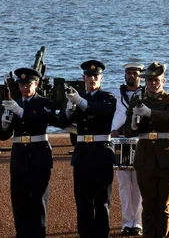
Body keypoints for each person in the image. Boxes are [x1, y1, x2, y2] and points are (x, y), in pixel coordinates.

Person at [58, 60, 116, 238]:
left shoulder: (108, 97)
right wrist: (69, 109)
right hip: (82, 153)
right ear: (83, 77)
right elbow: (61, 123)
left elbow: (102, 111)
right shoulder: (77, 97)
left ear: (101, 78)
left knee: (101, 202)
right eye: (89, 76)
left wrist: (80, 102)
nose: (92, 79)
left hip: (101, 153)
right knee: (82, 203)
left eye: (96, 76)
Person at [0, 67, 58, 238]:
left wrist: (21, 112)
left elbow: (41, 120)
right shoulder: (14, 103)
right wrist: (4, 124)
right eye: (21, 84)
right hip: (19, 157)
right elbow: (3, 136)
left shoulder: (45, 103)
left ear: (36, 84)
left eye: (28, 84)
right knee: (19, 202)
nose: (24, 88)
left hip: (39, 156)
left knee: (38, 202)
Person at [128, 61, 169, 238]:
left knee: (163, 205)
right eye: (150, 80)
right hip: (145, 156)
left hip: (167, 155)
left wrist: (149, 113)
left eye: (156, 80)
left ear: (163, 81)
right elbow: (129, 130)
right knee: (149, 205)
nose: (153, 83)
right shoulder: (138, 101)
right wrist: (133, 123)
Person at [110, 63, 145, 236]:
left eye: (135, 73)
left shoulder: (146, 94)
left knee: (138, 183)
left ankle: (137, 222)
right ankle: (126, 222)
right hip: (120, 141)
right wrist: (112, 130)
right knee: (124, 184)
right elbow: (110, 115)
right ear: (125, 75)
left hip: (139, 141)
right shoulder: (115, 94)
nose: (132, 76)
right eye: (129, 73)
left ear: (140, 75)